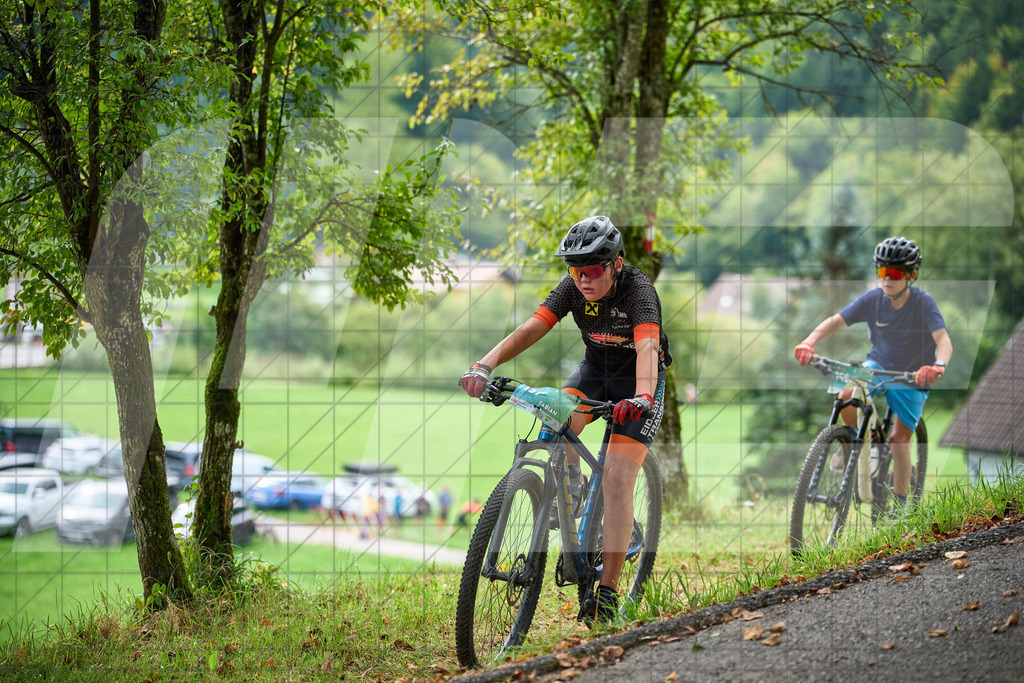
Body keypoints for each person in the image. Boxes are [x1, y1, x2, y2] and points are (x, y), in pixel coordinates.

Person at [458, 215, 672, 623]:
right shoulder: (572, 288)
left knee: (616, 477)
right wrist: (483, 366)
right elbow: (531, 328)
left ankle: (607, 591)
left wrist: (642, 397)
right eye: (576, 270)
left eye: (593, 270)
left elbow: (646, 348)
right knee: (554, 421)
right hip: (595, 372)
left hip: (640, 384)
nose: (584, 280)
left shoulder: (639, 291)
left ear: (617, 265)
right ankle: (569, 490)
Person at [793, 236, 952, 512]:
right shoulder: (872, 300)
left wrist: (937, 366)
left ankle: (903, 511)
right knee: (845, 394)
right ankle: (860, 443)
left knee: (899, 440)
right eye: (881, 271)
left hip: (912, 376)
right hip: (877, 366)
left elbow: (943, 340)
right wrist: (809, 342)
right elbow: (836, 320)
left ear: (911, 275)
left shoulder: (924, 303)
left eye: (895, 273)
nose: (887, 279)